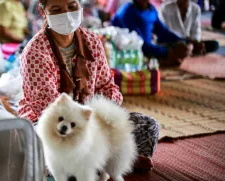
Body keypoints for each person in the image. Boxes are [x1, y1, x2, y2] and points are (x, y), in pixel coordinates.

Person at [19, 0, 159, 171]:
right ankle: (109, 162)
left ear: (80, 6)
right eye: (56, 10)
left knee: (147, 125)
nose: (67, 14)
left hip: (93, 119)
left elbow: (108, 87)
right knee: (39, 146)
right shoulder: (35, 52)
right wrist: (87, 127)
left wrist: (108, 116)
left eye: (72, 7)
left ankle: (98, 162)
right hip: (56, 124)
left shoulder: (92, 41)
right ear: (43, 12)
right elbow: (48, 109)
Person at [111, 0, 205, 65]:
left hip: (149, 47)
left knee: (191, 46)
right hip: (131, 52)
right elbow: (140, 44)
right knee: (172, 54)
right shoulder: (127, 12)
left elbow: (163, 33)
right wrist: (169, 53)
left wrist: (186, 42)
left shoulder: (151, 9)